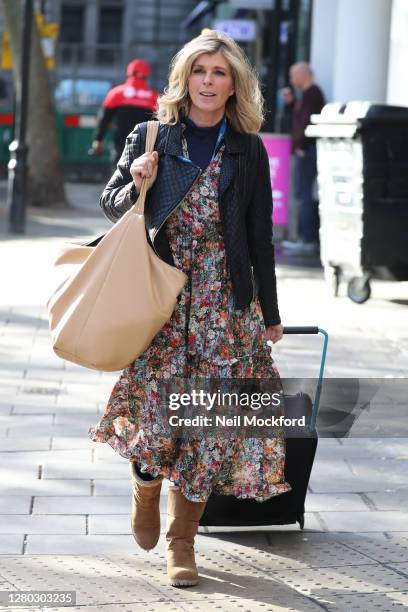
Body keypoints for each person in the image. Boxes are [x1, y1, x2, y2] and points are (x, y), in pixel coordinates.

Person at [88, 30, 291, 588]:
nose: (208, 81)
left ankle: (184, 545)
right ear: (185, 78)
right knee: (155, 424)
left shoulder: (246, 149)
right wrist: (136, 183)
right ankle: (146, 485)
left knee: (209, 428)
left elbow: (259, 237)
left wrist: (268, 313)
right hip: (162, 301)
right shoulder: (152, 135)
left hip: (225, 310)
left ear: (234, 85)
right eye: (199, 71)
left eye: (219, 73)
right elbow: (110, 206)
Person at [281, 62, 325, 254]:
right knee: (303, 193)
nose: (291, 80)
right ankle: (305, 238)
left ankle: (307, 239)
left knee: (305, 194)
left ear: (303, 75)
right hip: (305, 150)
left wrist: (300, 146)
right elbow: (300, 120)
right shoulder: (307, 95)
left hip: (307, 152)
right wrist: (291, 104)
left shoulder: (313, 94)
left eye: (293, 75)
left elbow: (307, 125)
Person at [91, 59, 159, 165]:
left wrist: (98, 140)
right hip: (145, 148)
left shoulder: (117, 94)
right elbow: (160, 123)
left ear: (129, 72)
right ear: (146, 74)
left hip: (121, 145)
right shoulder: (154, 97)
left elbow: (104, 119)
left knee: (119, 175)